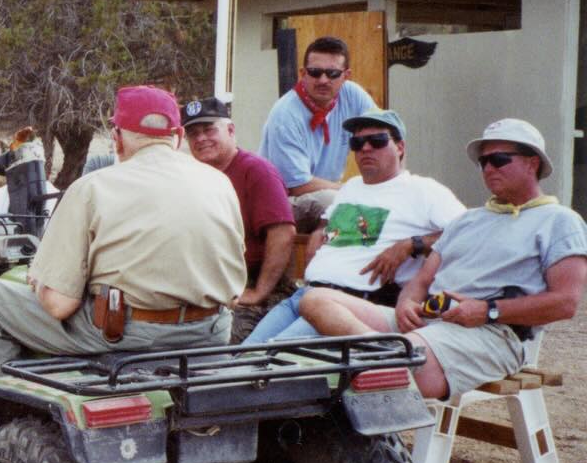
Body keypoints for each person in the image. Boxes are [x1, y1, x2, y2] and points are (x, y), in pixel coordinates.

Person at [0, 86, 244, 411]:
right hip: (210, 332)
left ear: (118, 138)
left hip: (127, 334)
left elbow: (59, 305)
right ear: (179, 136)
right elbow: (235, 285)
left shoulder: (92, 187)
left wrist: (40, 284)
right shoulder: (220, 183)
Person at [299, 118, 586, 400]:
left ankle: (388, 358)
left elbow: (565, 303)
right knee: (315, 300)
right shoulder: (467, 220)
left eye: (498, 160)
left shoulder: (558, 221)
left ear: (532, 163)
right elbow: (422, 280)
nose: (488, 168)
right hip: (428, 323)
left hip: (490, 332)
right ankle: (386, 353)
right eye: (483, 161)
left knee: (337, 372)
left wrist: (487, 310)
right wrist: (406, 303)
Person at [245, 110, 464, 343]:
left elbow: (467, 234)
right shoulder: (350, 187)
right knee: (244, 354)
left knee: (270, 358)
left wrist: (412, 244)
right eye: (357, 143)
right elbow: (327, 222)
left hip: (349, 306)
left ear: (400, 147)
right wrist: (319, 232)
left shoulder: (424, 190)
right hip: (304, 295)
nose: (366, 148)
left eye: (377, 141)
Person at [182, 97, 296, 342]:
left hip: (255, 285)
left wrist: (259, 292)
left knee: (217, 340)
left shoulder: (257, 171)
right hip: (207, 285)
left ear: (231, 130)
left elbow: (283, 233)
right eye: (193, 134)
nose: (201, 138)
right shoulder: (192, 176)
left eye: (209, 130)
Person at [259, 36, 379, 230]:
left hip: (328, 191)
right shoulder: (285, 115)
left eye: (332, 73)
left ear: (346, 76)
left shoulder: (352, 95)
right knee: (336, 203)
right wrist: (353, 189)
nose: (323, 80)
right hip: (283, 201)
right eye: (315, 72)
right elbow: (297, 186)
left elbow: (389, 133)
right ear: (303, 73)